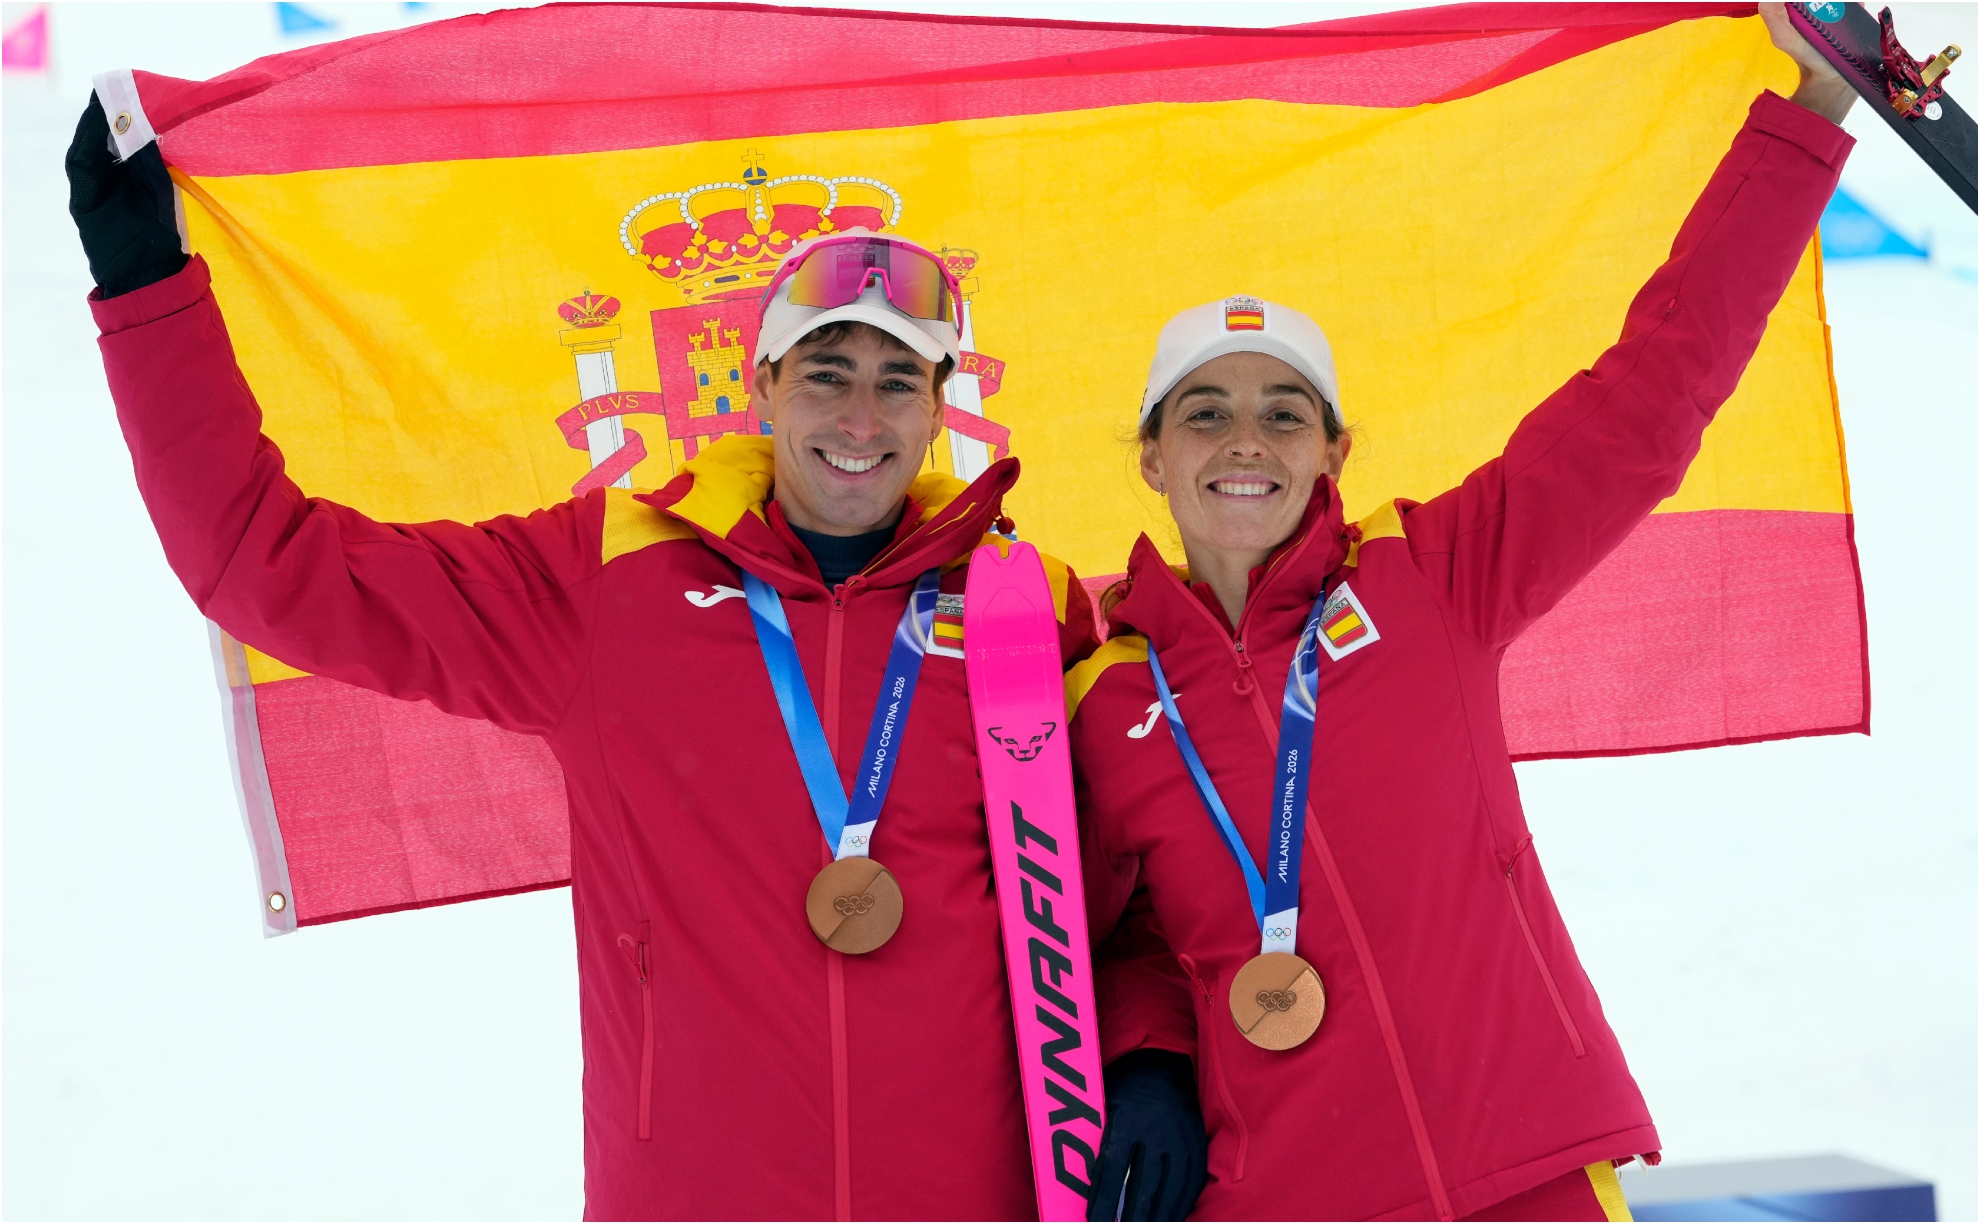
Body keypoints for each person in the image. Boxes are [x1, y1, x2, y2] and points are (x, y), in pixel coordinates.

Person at [68, 95, 1107, 1217]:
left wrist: (1144, 1063)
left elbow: (1144, 885)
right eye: (825, 372)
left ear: (940, 408)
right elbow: (271, 569)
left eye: (899, 381)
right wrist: (146, 293)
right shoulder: (611, 579)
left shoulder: (1025, 608)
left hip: (970, 1192)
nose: (861, 418)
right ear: (759, 384)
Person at [1069, 7, 1858, 1220]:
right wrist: (1148, 1056)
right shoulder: (1100, 691)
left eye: (1284, 413)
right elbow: (1101, 926)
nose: (1245, 442)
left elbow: (1652, 393)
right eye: (1205, 413)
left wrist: (1813, 115)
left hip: (1521, 1169)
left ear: (1333, 451)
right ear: (1152, 459)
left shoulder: (1432, 579)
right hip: (1282, 1194)